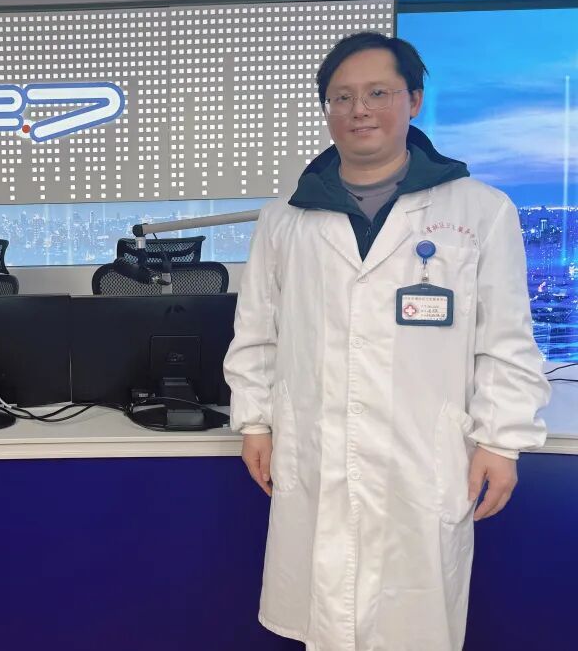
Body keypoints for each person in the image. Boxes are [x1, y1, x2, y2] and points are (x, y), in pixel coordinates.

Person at [223, 32, 550, 651]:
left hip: (422, 457)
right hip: (317, 450)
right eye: (342, 97)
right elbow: (257, 333)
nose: (360, 110)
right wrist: (255, 423)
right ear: (328, 110)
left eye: (378, 93)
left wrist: (502, 440)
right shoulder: (285, 218)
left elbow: (506, 338)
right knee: (325, 615)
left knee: (414, 622)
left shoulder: (479, 210)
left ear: (414, 101)